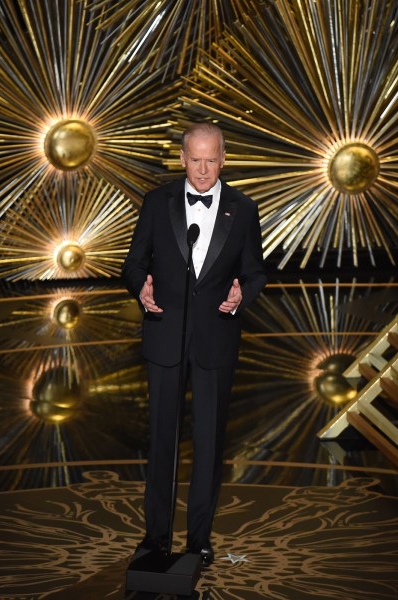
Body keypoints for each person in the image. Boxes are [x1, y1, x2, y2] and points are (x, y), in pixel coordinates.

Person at [121, 122, 267, 565]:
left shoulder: (243, 209)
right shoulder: (156, 202)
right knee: (162, 442)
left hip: (215, 341)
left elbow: (255, 271)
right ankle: (155, 539)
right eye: (195, 160)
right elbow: (134, 262)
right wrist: (139, 289)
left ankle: (199, 540)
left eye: (211, 160)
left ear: (223, 159)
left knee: (208, 445)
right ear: (182, 158)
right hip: (164, 335)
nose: (203, 171)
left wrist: (244, 293)